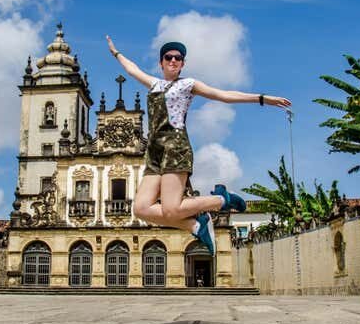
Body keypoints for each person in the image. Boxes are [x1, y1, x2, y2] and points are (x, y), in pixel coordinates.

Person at [106, 35, 291, 255]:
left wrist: (261, 98)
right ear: (161, 62)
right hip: (154, 152)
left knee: (171, 208)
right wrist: (116, 53)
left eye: (178, 58)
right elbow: (132, 70)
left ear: (182, 64)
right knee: (141, 208)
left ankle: (222, 199)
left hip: (176, 147)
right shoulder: (154, 84)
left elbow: (223, 95)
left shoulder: (188, 84)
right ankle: (195, 225)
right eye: (169, 57)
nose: (173, 60)